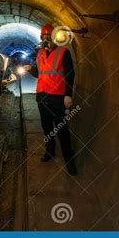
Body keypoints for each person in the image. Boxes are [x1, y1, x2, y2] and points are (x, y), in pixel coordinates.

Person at [24, 24, 77, 176]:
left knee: (62, 128)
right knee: (46, 127)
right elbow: (40, 73)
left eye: (48, 37)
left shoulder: (63, 52)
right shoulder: (40, 53)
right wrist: (31, 69)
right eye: (43, 37)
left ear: (54, 38)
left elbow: (69, 74)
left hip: (58, 97)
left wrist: (68, 94)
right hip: (42, 96)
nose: (46, 40)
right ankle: (50, 151)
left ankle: (68, 157)